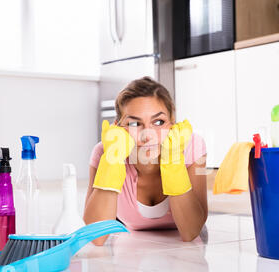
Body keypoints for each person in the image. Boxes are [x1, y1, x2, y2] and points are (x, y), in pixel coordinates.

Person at [84, 76, 208, 245]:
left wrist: (173, 162)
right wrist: (112, 160)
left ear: (172, 124)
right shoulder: (104, 152)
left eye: (158, 122)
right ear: (118, 128)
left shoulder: (192, 146)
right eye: (134, 124)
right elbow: (96, 238)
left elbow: (190, 232)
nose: (147, 136)